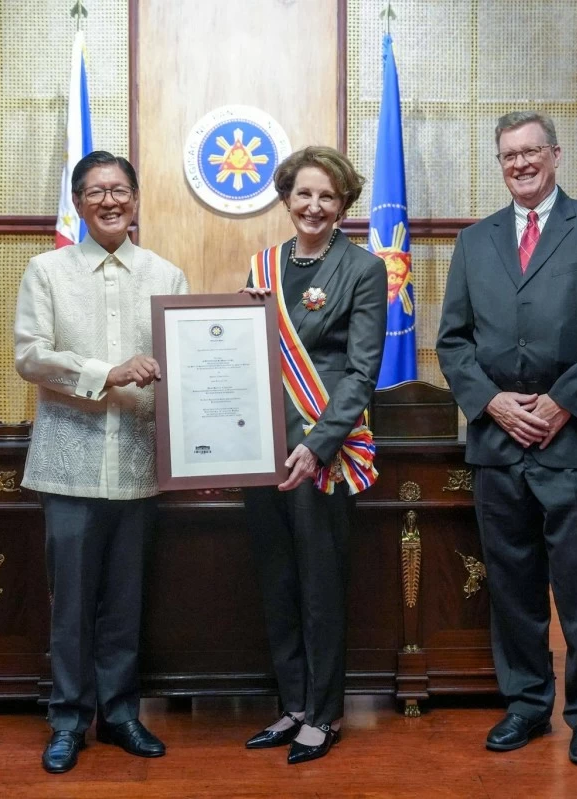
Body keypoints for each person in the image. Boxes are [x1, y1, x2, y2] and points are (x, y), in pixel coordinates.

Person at [436, 111, 577, 766]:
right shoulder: (476, 242)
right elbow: (453, 341)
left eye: (531, 152)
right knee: (512, 584)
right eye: (508, 155)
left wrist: (561, 402)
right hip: (499, 445)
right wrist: (492, 402)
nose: (520, 163)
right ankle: (526, 701)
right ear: (500, 164)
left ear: (555, 155)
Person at [14, 150, 189, 774]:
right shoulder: (46, 271)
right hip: (69, 463)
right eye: (95, 192)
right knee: (72, 603)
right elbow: (30, 356)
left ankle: (119, 715)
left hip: (140, 464)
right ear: (79, 203)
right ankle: (67, 720)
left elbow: (187, 363)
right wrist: (105, 373)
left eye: (119, 190)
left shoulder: (166, 276)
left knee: (124, 601)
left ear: (136, 200)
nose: (109, 201)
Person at [240, 146, 387, 765]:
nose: (314, 206)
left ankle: (324, 714)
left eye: (328, 196)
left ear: (344, 203)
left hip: (321, 451)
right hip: (263, 448)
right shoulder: (262, 264)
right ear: (286, 198)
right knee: (277, 581)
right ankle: (294, 703)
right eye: (304, 194)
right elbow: (243, 355)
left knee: (320, 583)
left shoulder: (362, 268)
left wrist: (316, 443)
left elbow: (361, 371)